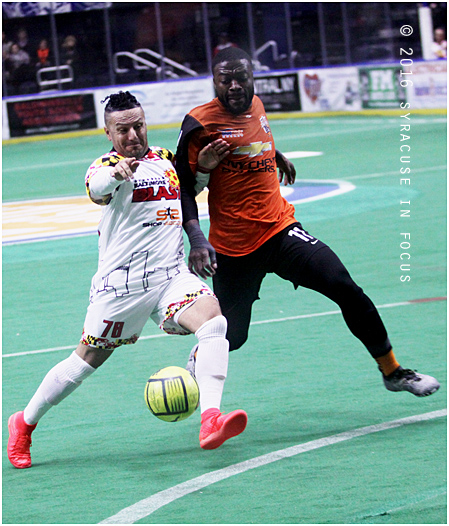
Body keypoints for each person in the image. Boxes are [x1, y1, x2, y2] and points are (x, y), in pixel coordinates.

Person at [175, 47, 440, 399]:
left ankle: (392, 371)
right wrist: (196, 236)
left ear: (253, 77)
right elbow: (180, 187)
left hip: (281, 230)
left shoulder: (256, 105)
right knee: (232, 336)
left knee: (345, 287)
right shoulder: (199, 124)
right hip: (234, 247)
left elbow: (249, 139)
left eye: (242, 78)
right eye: (226, 80)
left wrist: (274, 155)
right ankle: (200, 355)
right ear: (214, 82)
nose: (235, 86)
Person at [7, 91, 247, 470]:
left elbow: (182, 193)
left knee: (215, 321)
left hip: (170, 277)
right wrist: (115, 174)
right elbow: (97, 188)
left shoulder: (165, 160)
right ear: (108, 133)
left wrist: (200, 171)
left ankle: (211, 419)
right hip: (121, 287)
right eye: (123, 130)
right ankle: (24, 422)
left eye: (138, 126)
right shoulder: (104, 167)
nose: (133, 135)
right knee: (85, 362)